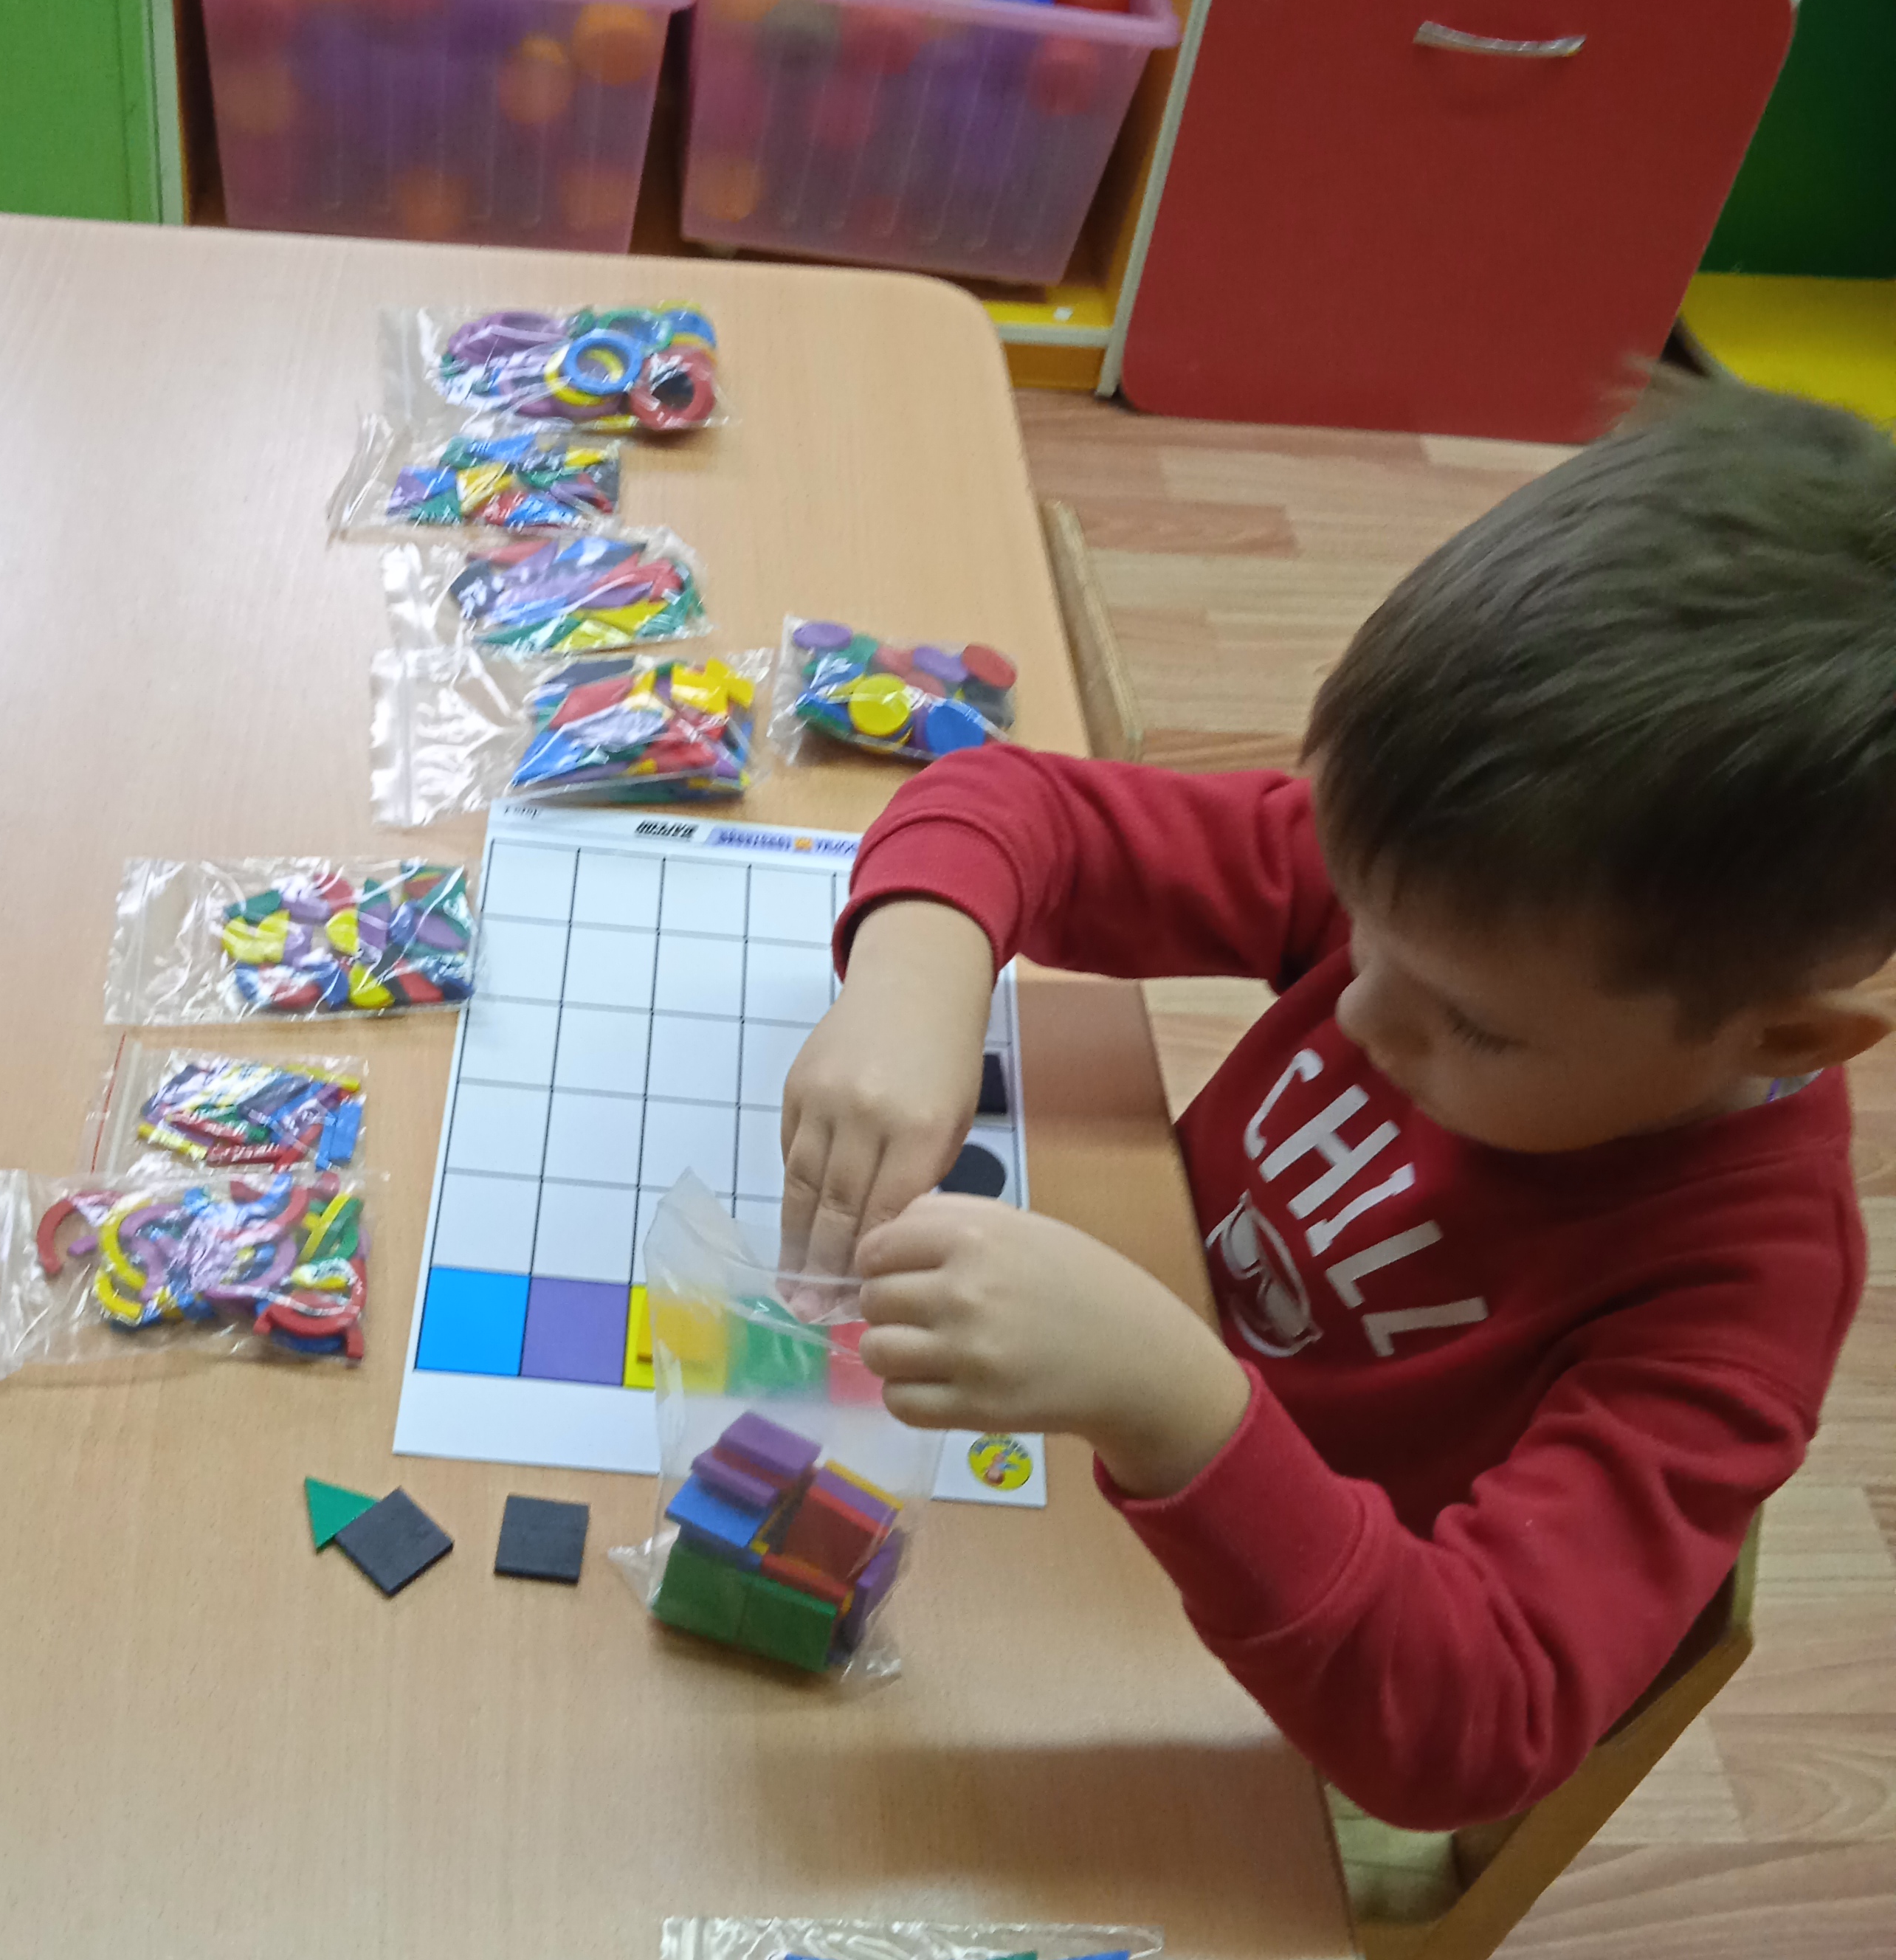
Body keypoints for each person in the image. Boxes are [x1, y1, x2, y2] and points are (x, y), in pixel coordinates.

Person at [782, 382, 1895, 1826]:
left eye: (1470, 1026)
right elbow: (1015, 807)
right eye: (1357, 928)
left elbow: (1471, 1725)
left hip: (1256, 1643)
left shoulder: (1737, 1295)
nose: (1359, 1013)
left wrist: (1173, 1399)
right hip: (1090, 1426)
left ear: (1786, 1033)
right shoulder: (1467, 894)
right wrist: (914, 978)